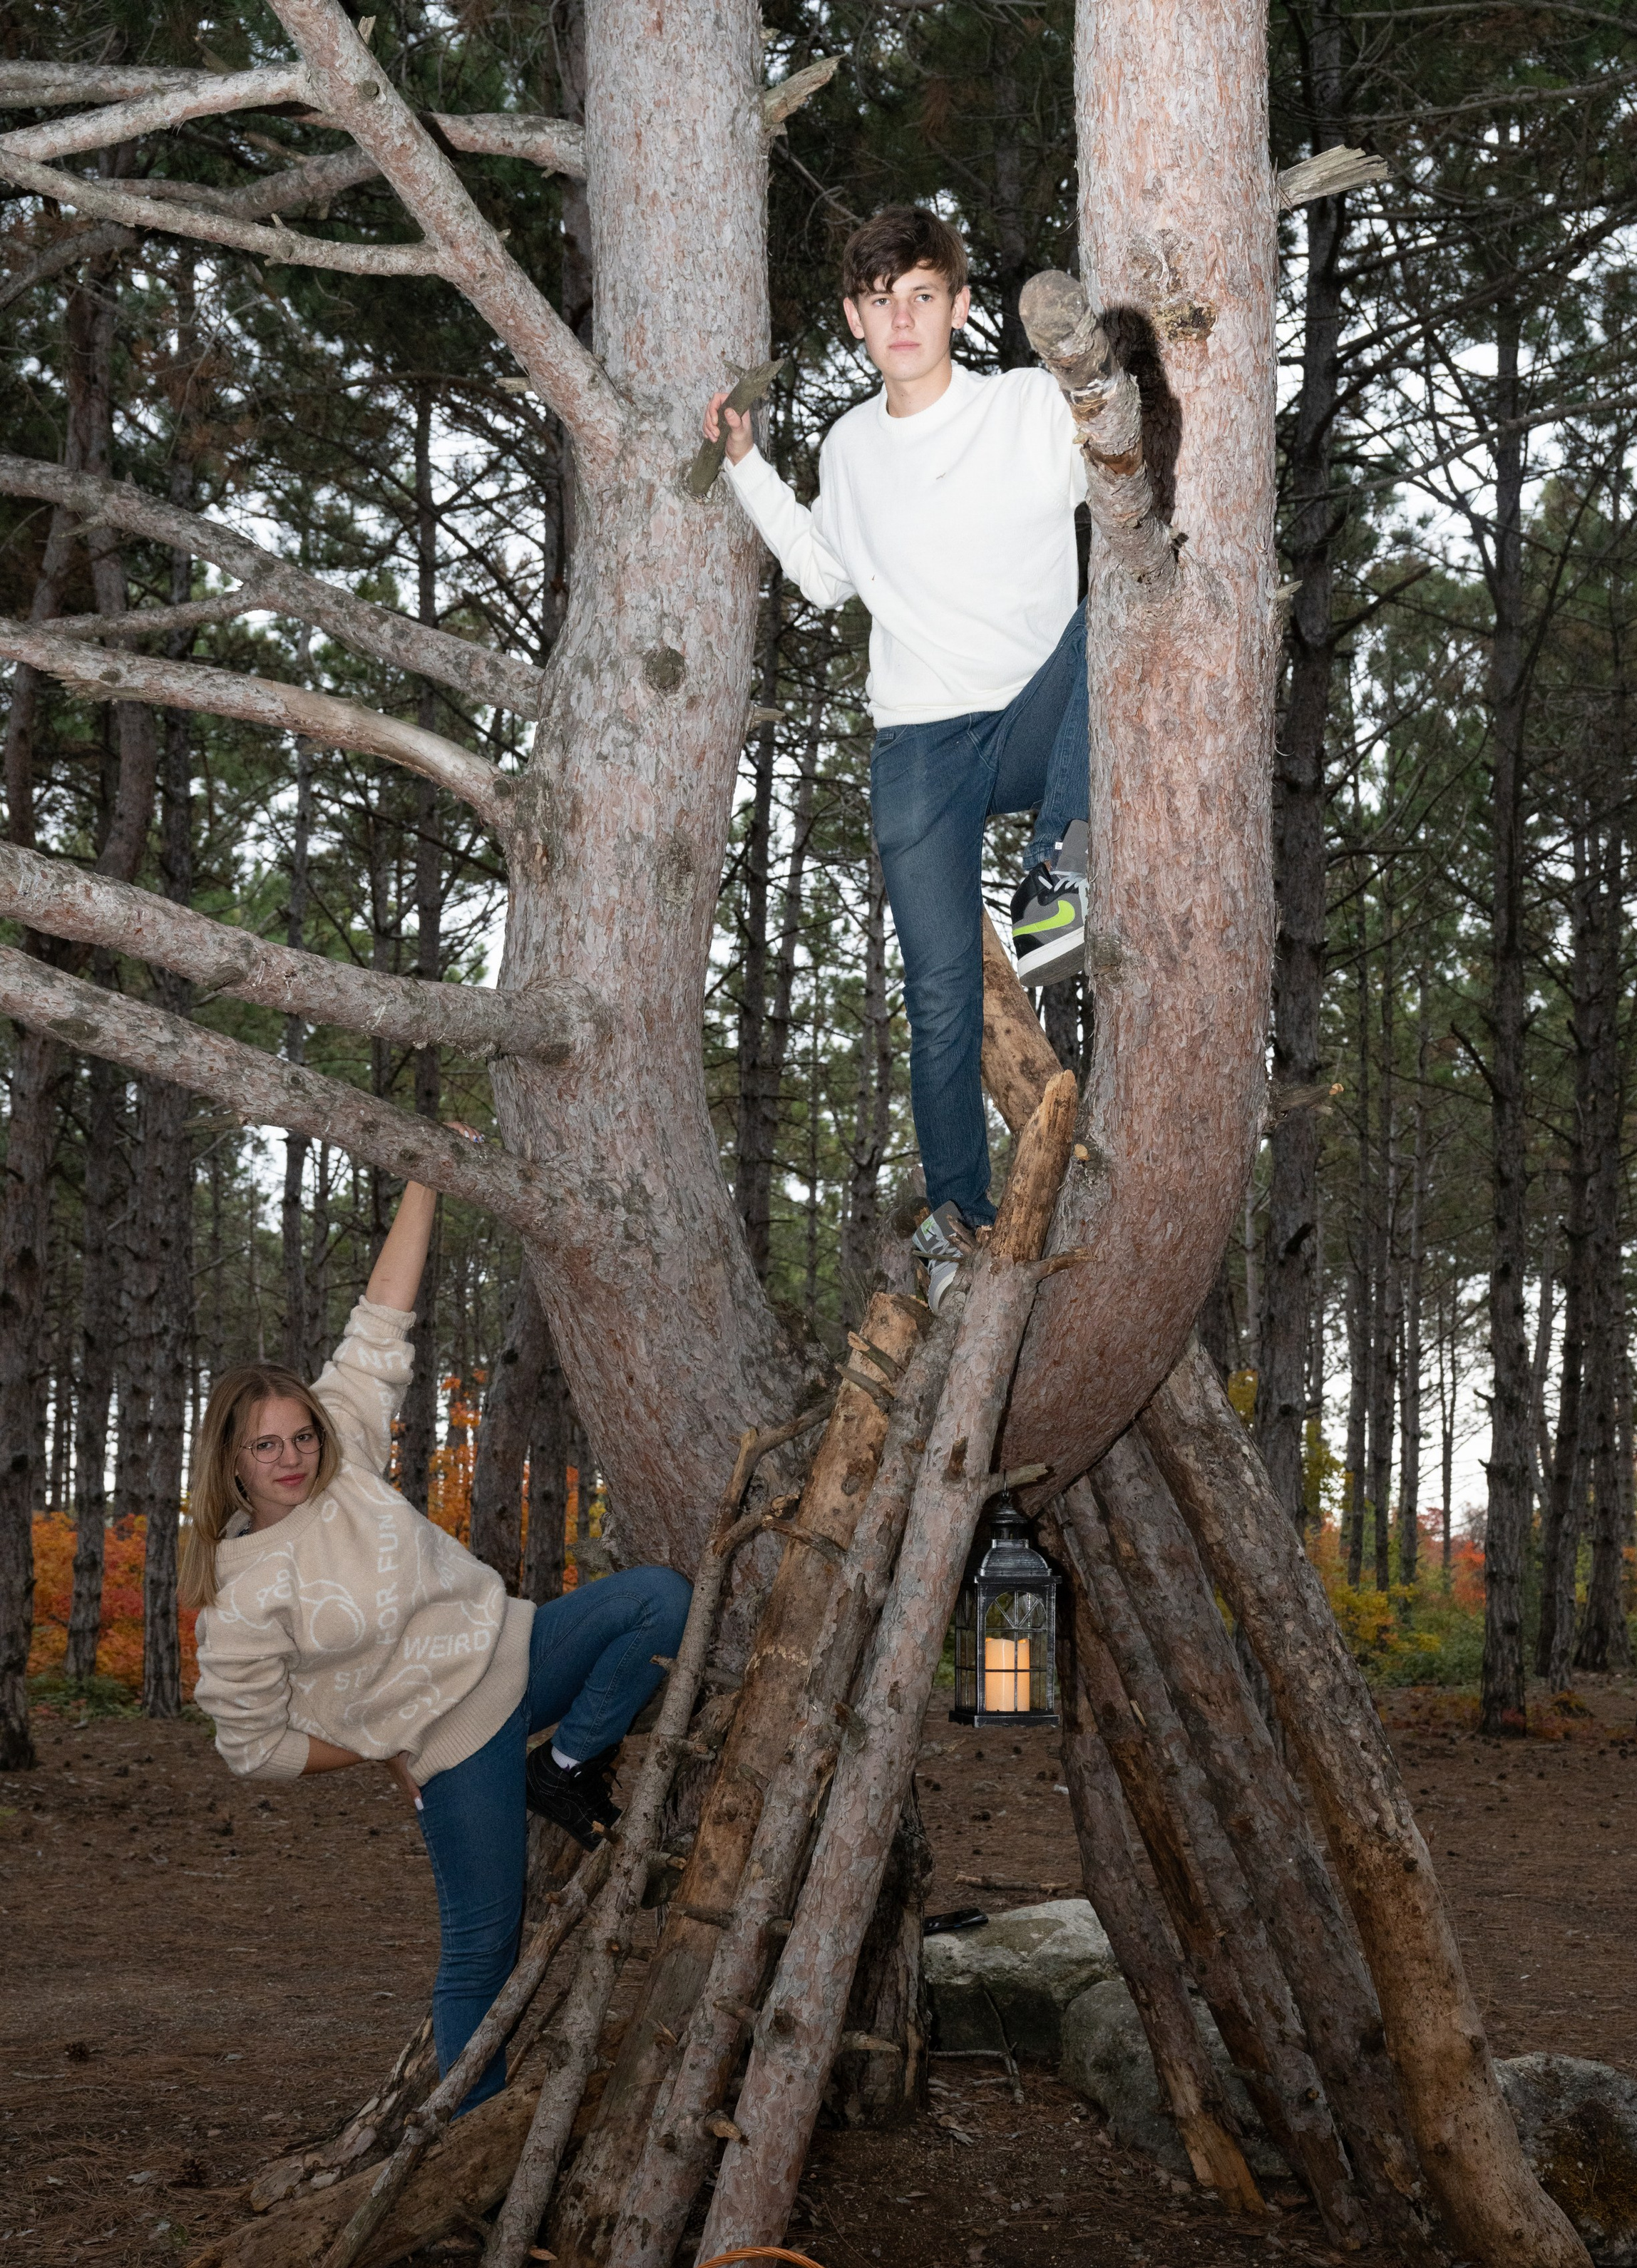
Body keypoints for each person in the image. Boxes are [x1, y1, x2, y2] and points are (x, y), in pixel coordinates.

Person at [183, 1178, 691, 2109]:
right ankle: (470, 2147)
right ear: (230, 1460)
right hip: (454, 1751)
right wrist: (380, 1745)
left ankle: (569, 1767)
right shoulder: (244, 1594)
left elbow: (381, 1319)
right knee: (481, 1954)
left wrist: (424, 1176)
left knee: (658, 1602)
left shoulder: (347, 1460)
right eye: (267, 1447)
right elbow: (251, 1746)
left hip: (518, 1648)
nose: (293, 1457)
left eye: (299, 1435)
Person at [706, 203, 1090, 1308]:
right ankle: (960, 1220)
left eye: (925, 294)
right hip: (920, 745)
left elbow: (1128, 468)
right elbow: (827, 574)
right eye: (883, 302)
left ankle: (1061, 876)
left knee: (1123, 611)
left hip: (1035, 717)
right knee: (938, 996)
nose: (904, 318)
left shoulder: (1028, 406)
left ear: (963, 308)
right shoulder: (850, 446)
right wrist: (745, 465)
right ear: (855, 322)